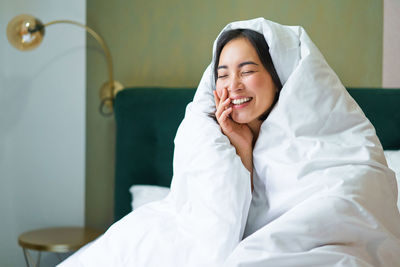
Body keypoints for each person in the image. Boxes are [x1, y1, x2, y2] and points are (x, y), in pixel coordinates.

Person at [58, 18, 400, 267]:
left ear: (279, 75)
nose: (232, 85)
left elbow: (349, 207)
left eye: (247, 70)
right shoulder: (218, 139)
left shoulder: (341, 143)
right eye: (222, 74)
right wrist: (242, 154)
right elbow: (214, 231)